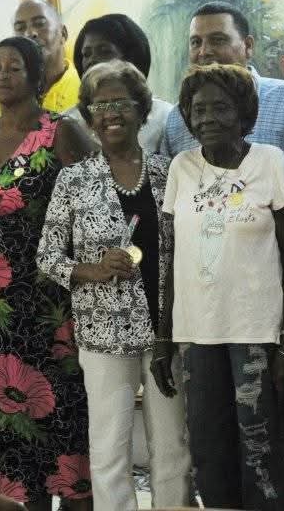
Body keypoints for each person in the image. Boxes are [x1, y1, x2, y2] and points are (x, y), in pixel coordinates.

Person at [38, 60, 191, 510]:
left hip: (166, 331)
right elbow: (47, 257)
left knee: (173, 446)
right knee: (108, 449)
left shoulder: (170, 172)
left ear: (142, 109)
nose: (110, 113)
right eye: (99, 105)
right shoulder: (73, 179)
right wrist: (93, 269)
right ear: (88, 115)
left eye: (121, 102)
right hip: (103, 332)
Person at [161, 63, 284, 511]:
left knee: (262, 447)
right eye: (197, 109)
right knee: (209, 449)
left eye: (220, 108)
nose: (207, 118)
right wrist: (163, 339)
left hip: (257, 332)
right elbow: (169, 259)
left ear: (243, 113)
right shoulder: (181, 168)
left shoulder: (269, 161)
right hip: (196, 333)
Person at [0, 36, 95, 509]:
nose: (1, 75)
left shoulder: (62, 131)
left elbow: (95, 207)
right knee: (11, 422)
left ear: (37, 77)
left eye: (13, 67)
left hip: (50, 301)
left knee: (64, 419)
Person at [160, 2, 284, 236]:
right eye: (196, 42)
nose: (204, 52)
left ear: (248, 46)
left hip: (280, 254)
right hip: (204, 255)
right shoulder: (177, 118)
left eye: (218, 40)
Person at [64, 13, 172, 152]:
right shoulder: (69, 122)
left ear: (131, 56)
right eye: (86, 54)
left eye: (105, 51)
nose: (92, 60)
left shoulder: (164, 116)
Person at [12, 0, 81, 114]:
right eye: (20, 28)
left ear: (63, 33)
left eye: (40, 24)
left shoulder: (85, 88)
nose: (29, 33)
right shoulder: (11, 93)